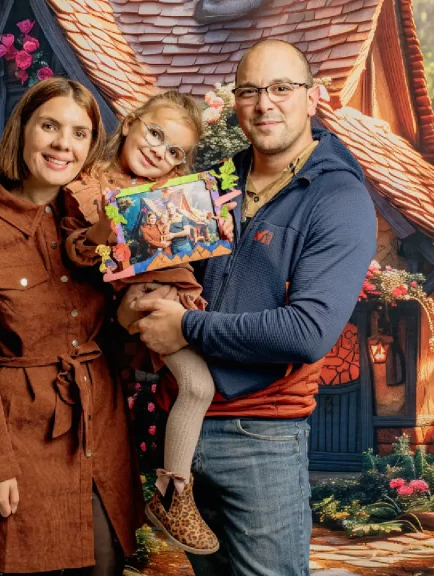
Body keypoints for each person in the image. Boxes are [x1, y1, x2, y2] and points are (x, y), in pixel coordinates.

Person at [125, 39, 378, 575]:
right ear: (236, 103)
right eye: (249, 91)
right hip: (183, 432)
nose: (265, 104)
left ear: (313, 98)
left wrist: (186, 327)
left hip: (260, 437)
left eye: (282, 88)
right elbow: (143, 266)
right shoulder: (215, 182)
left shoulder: (338, 199)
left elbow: (307, 332)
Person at [0, 77, 143, 576]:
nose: (62, 145)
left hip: (103, 432)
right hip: (23, 440)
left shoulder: (103, 225)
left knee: (106, 566)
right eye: (49, 126)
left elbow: (123, 333)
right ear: (22, 130)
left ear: (92, 147)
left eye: (78, 133)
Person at [61, 90, 233, 556]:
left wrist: (219, 222)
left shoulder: (174, 189)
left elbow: (195, 229)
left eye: (174, 150)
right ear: (132, 122)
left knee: (196, 387)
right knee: (197, 387)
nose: (160, 151)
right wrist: (98, 233)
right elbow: (75, 248)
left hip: (175, 301)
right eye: (155, 134)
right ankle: (173, 495)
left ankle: (171, 493)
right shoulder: (90, 186)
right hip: (143, 302)